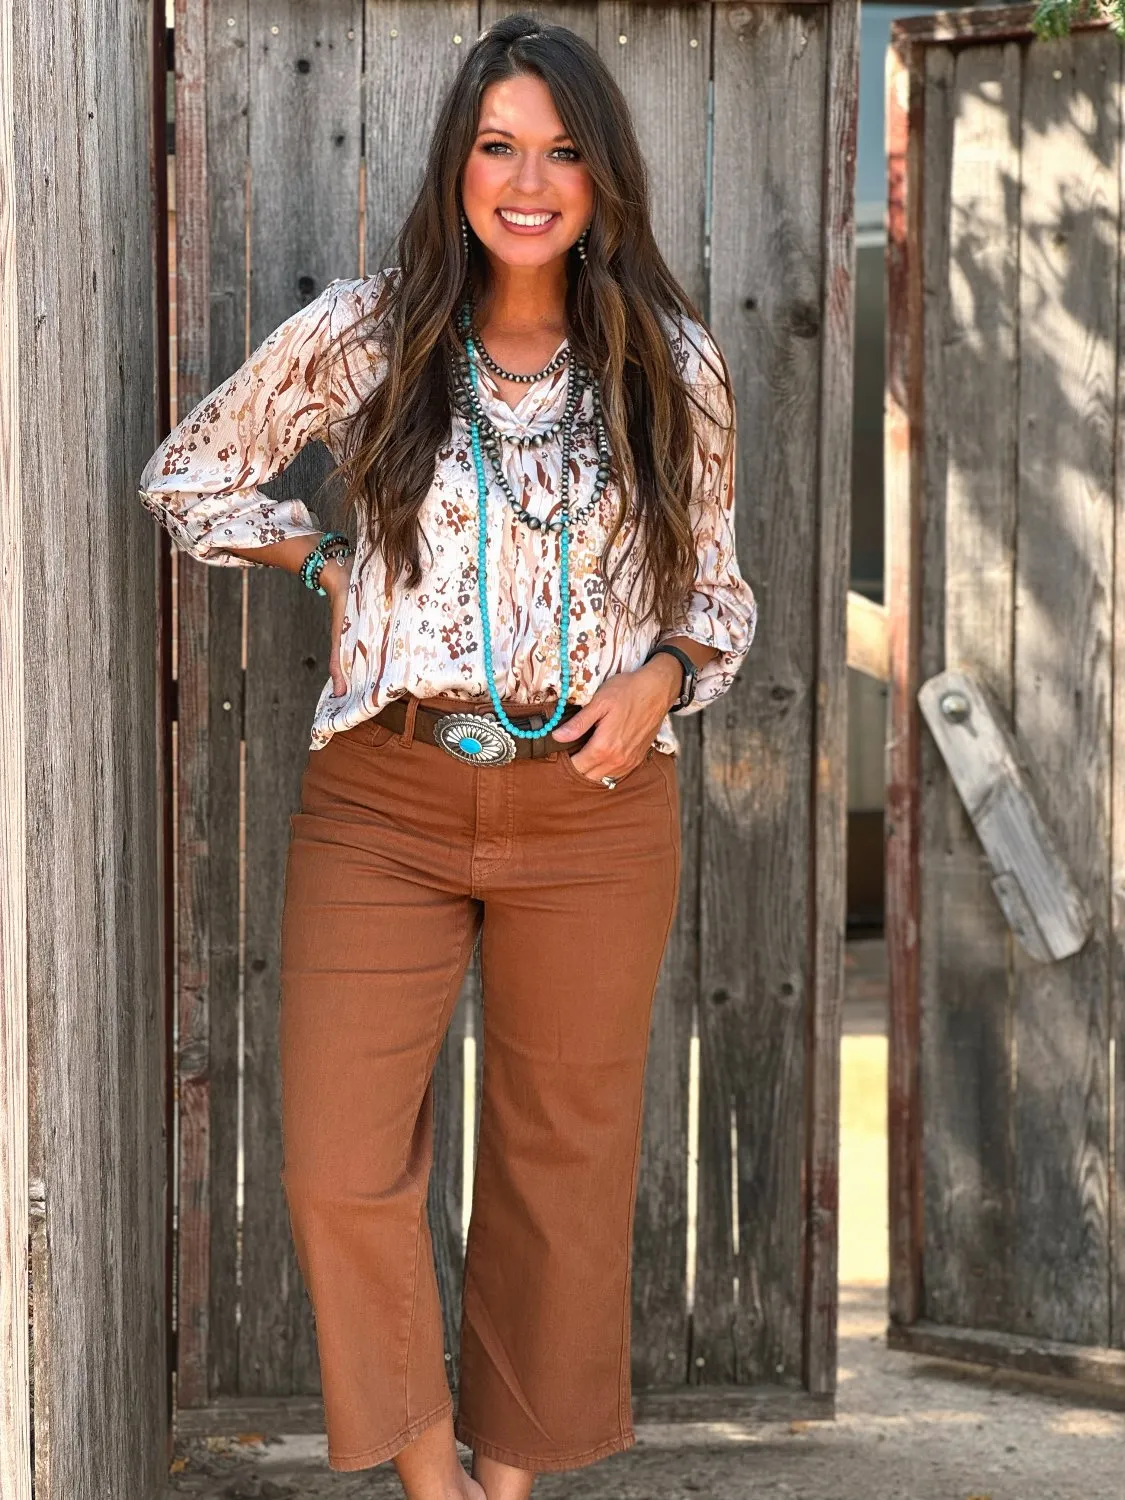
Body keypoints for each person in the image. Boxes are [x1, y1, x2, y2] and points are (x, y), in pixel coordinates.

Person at [139, 14, 756, 1500]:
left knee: (562, 1167)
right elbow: (188, 472)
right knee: (339, 1164)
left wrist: (664, 676)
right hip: (387, 795)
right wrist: (315, 562)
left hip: (599, 808)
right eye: (499, 147)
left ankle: (510, 1481)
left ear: (603, 176)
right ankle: (434, 1485)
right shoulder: (369, 333)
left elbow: (719, 595)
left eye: (560, 151)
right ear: (458, 164)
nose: (528, 180)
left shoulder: (671, 364)